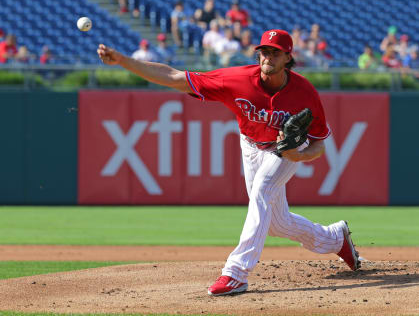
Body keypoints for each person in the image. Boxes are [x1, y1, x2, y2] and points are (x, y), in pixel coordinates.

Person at [97, 29, 361, 297]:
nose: (267, 57)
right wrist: (123, 60)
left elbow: (319, 144)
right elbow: (174, 78)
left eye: (275, 52)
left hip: (286, 150)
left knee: (261, 191)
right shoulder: (236, 80)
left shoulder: (304, 92)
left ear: (288, 57)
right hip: (251, 145)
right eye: (264, 51)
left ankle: (236, 273)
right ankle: (335, 238)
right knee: (276, 224)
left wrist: (299, 155)